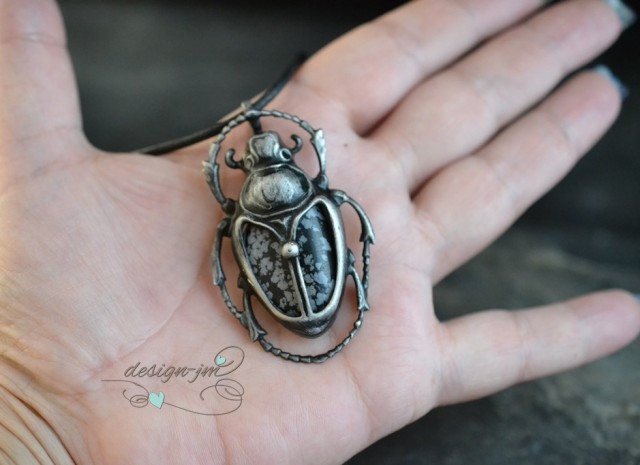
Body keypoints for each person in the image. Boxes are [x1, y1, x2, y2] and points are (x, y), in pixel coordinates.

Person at [1, 0, 638, 463]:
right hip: (312, 278)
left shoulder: (241, 215)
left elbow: (267, 248)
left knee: (281, 242)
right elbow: (337, 220)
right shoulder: (310, 197)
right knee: (320, 227)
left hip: (291, 287)